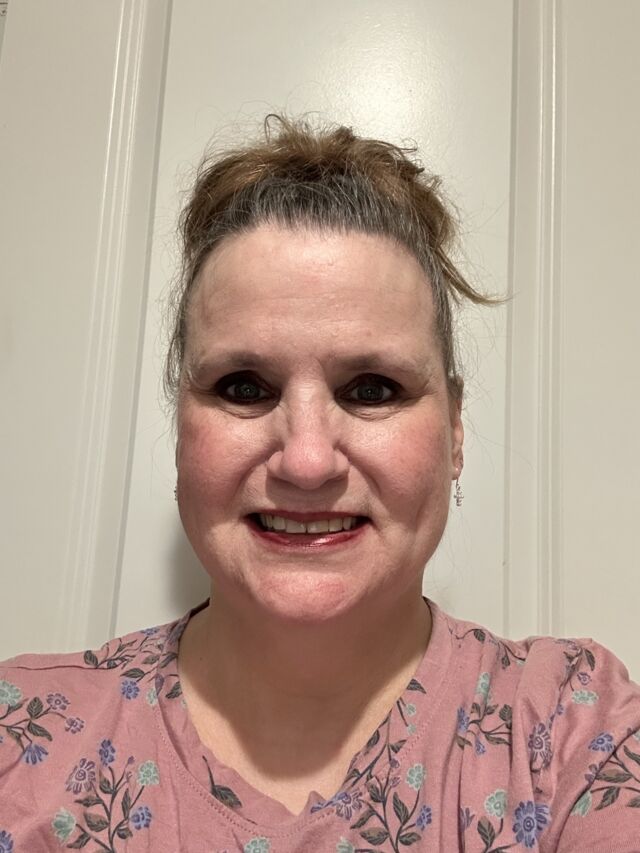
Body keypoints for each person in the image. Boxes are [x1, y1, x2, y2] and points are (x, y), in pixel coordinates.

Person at [0, 116, 638, 853]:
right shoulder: (22, 737)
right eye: (244, 386)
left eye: (372, 388)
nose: (306, 462)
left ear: (455, 431)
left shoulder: (570, 736)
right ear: (180, 427)